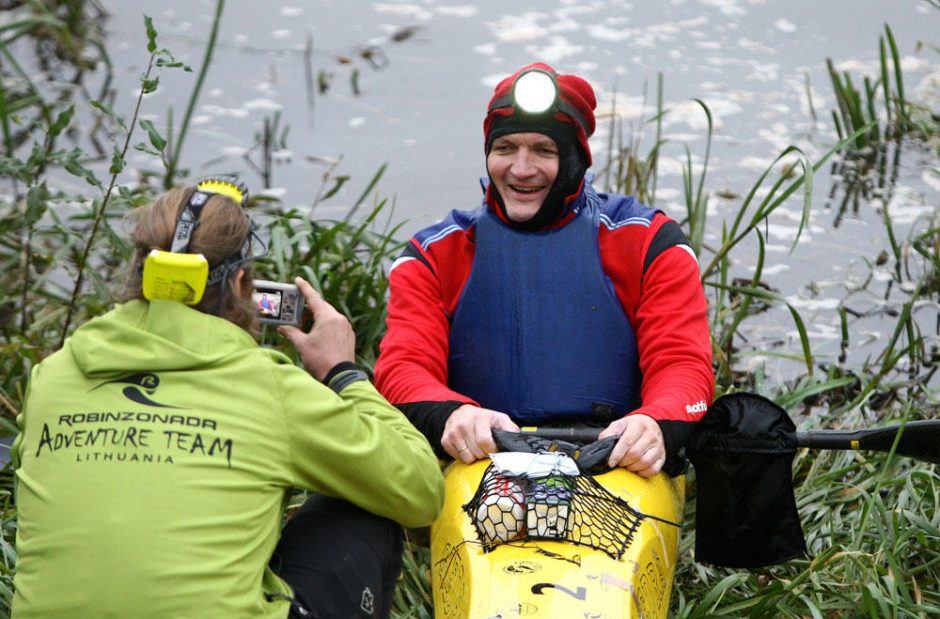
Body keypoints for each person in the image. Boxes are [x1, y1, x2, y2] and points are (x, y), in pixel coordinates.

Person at [11, 179, 444, 618]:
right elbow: (420, 491)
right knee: (364, 500)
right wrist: (342, 372)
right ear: (240, 281)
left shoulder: (54, 375)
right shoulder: (266, 387)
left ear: (140, 272)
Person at [374, 62, 714, 478]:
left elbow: (683, 363)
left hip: (618, 456)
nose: (520, 169)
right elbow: (402, 367)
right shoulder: (431, 254)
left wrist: (655, 422)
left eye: (543, 150)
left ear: (574, 159)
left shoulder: (650, 242)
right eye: (505, 148)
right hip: (481, 455)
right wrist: (453, 414)